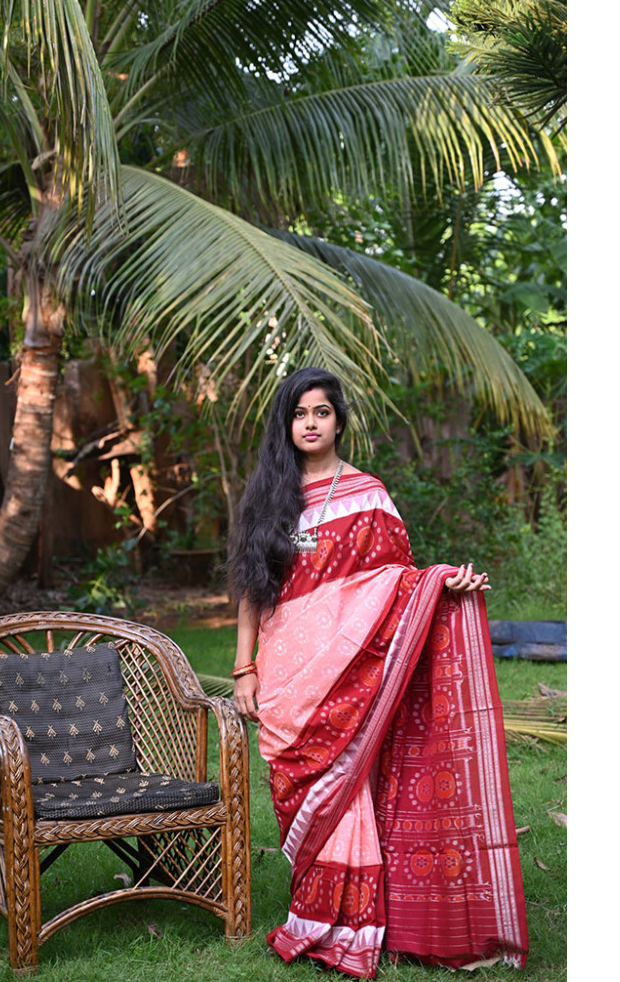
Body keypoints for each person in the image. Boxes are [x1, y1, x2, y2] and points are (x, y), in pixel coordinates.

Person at [227, 367, 528, 979]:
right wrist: (244, 668)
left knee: (352, 782)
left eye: (321, 413)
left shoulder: (368, 493)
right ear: (286, 424)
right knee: (303, 784)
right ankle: (325, 913)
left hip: (350, 664)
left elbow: (396, 585)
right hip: (288, 670)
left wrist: (446, 583)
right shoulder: (270, 497)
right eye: (299, 414)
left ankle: (353, 922)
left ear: (339, 421)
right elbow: (252, 592)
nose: (310, 423)